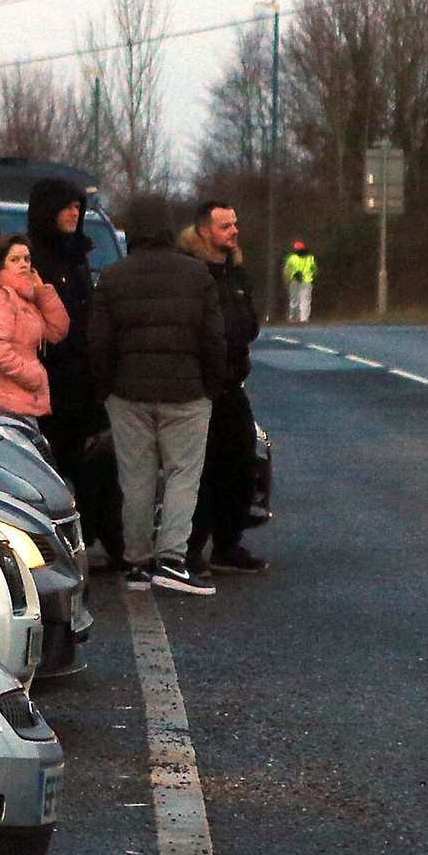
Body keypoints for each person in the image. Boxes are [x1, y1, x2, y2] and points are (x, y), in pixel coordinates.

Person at [88, 198, 226, 596]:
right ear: (169, 230)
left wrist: (105, 388)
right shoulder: (196, 276)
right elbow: (213, 339)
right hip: (186, 392)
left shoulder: (113, 277)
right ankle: (172, 558)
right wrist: (211, 386)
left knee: (135, 478)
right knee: (184, 474)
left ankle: (136, 562)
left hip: (128, 393)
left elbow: (99, 342)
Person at [23, 179, 122, 566]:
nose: (73, 214)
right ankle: (60, 546)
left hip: (84, 380)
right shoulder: (32, 258)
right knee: (55, 467)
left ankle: (104, 537)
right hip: (48, 383)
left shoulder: (79, 255)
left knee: (97, 463)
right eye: (65, 207)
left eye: (77, 208)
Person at [180, 201, 267, 576]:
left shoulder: (236, 273)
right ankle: (192, 546)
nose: (233, 231)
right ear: (203, 231)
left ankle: (228, 543)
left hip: (232, 381)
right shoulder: (191, 274)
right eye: (224, 226)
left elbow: (246, 324)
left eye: (235, 223)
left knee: (241, 459)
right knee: (202, 467)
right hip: (200, 383)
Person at [0, 235, 70, 417]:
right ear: (1, 265)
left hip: (19, 399)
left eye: (27, 259)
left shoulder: (24, 298)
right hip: (4, 402)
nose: (23, 264)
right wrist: (31, 376)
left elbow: (57, 331)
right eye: (15, 260)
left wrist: (42, 292)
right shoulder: (1, 298)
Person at [283, 240, 317, 323]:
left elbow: (287, 270)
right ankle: (302, 319)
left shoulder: (292, 258)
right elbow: (314, 270)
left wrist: (290, 277)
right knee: (302, 301)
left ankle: (297, 319)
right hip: (303, 281)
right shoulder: (309, 258)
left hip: (300, 281)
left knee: (297, 301)